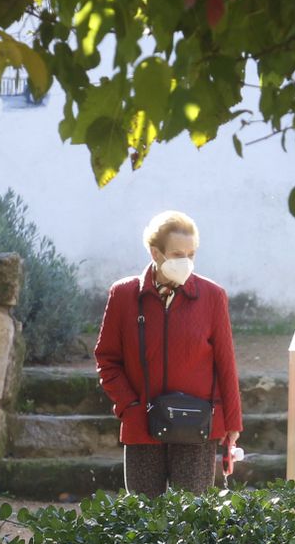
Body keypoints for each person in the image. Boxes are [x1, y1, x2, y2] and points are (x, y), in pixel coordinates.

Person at [94, 210, 243, 494]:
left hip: (198, 426)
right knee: (143, 520)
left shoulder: (213, 296)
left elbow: (226, 363)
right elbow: (107, 359)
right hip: (142, 424)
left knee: (193, 522)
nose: (185, 261)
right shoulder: (123, 295)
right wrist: (130, 407)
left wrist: (232, 423)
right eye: (176, 254)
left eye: (191, 254)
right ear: (155, 252)